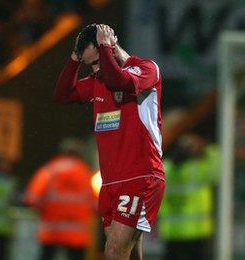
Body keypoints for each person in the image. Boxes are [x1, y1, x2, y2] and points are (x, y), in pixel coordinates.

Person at [54, 23, 165, 260]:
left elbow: (119, 81)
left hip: (140, 177)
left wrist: (105, 47)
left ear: (110, 48)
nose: (94, 71)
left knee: (114, 251)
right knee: (128, 253)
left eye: (96, 63)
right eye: (90, 65)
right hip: (110, 182)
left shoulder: (146, 69)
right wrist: (75, 58)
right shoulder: (98, 81)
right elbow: (62, 95)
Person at [24, 138, 96, 260]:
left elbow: (32, 199)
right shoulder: (85, 173)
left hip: (52, 231)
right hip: (77, 234)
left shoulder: (49, 171)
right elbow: (96, 204)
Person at [159, 134, 218, 260]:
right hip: (197, 232)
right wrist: (207, 148)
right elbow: (219, 168)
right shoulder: (198, 170)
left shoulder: (165, 169)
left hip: (172, 232)